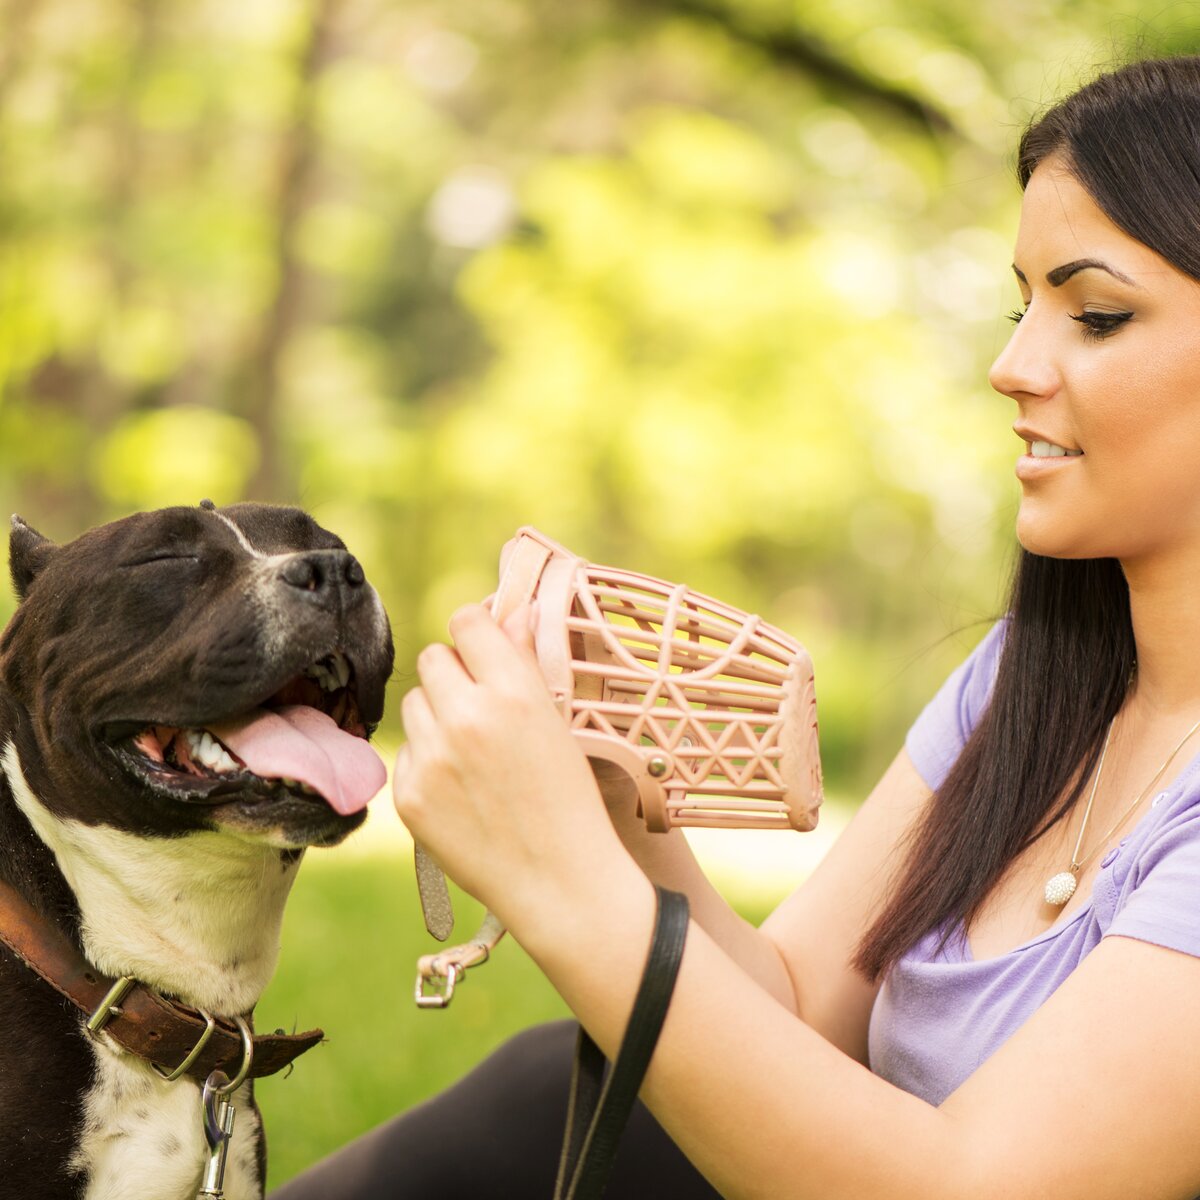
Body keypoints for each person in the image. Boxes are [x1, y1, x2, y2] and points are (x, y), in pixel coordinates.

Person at [275, 55, 1200, 1198]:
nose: (1011, 367)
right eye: (1024, 306)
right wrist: (617, 813)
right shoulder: (1032, 682)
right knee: (549, 1094)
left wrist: (566, 883)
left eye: (1096, 314)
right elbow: (798, 1018)